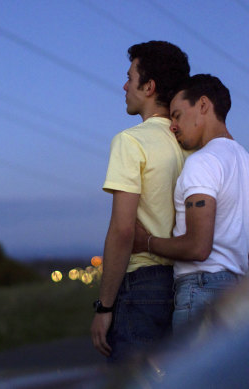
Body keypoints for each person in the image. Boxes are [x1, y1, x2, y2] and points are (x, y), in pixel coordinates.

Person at [133, 74, 249, 334]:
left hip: (200, 290)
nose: (173, 126)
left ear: (203, 105)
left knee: (191, 374)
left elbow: (198, 247)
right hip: (235, 295)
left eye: (177, 115)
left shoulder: (203, 161)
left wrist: (146, 243)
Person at [90, 41, 190, 362]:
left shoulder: (130, 141)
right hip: (186, 283)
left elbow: (122, 231)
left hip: (142, 286)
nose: (124, 85)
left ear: (149, 87)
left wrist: (104, 306)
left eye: (130, 77)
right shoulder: (191, 144)